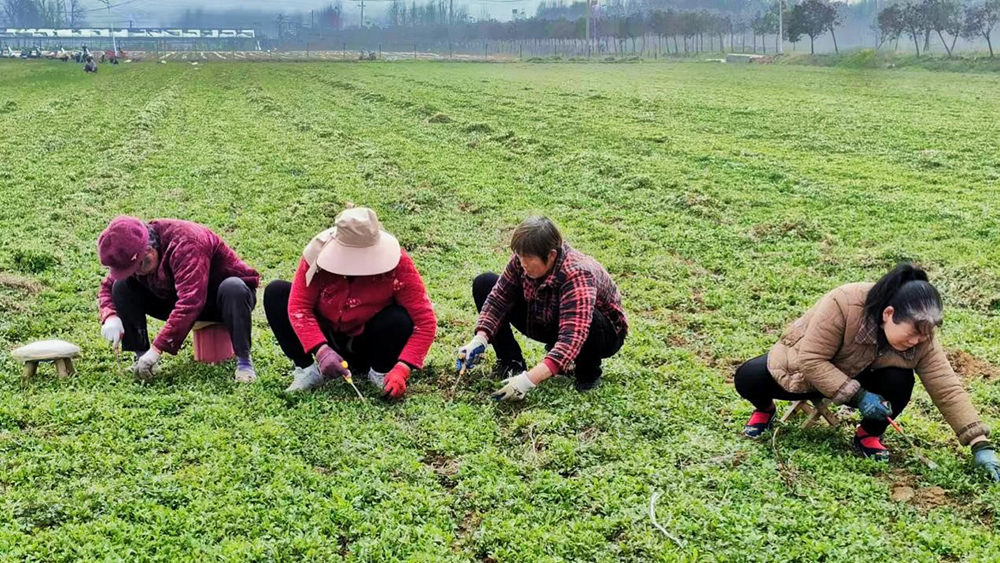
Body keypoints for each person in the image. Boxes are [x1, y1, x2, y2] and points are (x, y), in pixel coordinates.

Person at [733, 263, 1000, 480]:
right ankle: (765, 410)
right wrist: (859, 397)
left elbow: (946, 386)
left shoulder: (922, 334)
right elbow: (812, 360)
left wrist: (979, 442)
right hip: (806, 372)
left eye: (922, 338)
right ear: (889, 314)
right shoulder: (844, 303)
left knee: (899, 380)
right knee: (749, 377)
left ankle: (868, 435)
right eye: (910, 335)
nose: (915, 342)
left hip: (861, 375)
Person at [264, 207, 436, 398]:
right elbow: (299, 307)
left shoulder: (398, 263)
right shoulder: (316, 255)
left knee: (398, 318)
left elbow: (425, 322)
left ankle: (380, 371)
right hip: (326, 335)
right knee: (276, 293)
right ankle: (307, 370)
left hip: (369, 342)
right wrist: (320, 349)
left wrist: (403, 368)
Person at [456, 216, 628, 401]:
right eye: (519, 256)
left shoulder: (578, 273)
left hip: (600, 333)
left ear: (551, 255)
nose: (522, 263)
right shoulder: (521, 261)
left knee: (591, 318)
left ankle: (587, 374)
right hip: (547, 315)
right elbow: (499, 298)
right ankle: (511, 363)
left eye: (528, 259)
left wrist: (527, 381)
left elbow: (573, 335)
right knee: (485, 283)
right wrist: (480, 339)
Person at [97, 216, 260, 382]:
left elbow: (191, 302)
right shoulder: (136, 258)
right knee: (121, 286)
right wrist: (110, 316)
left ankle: (244, 361)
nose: (138, 273)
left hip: (219, 300)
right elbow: (107, 286)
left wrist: (157, 349)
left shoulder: (187, 241)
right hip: (177, 297)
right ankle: (141, 356)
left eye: (141, 265)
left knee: (233, 288)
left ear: (149, 248)